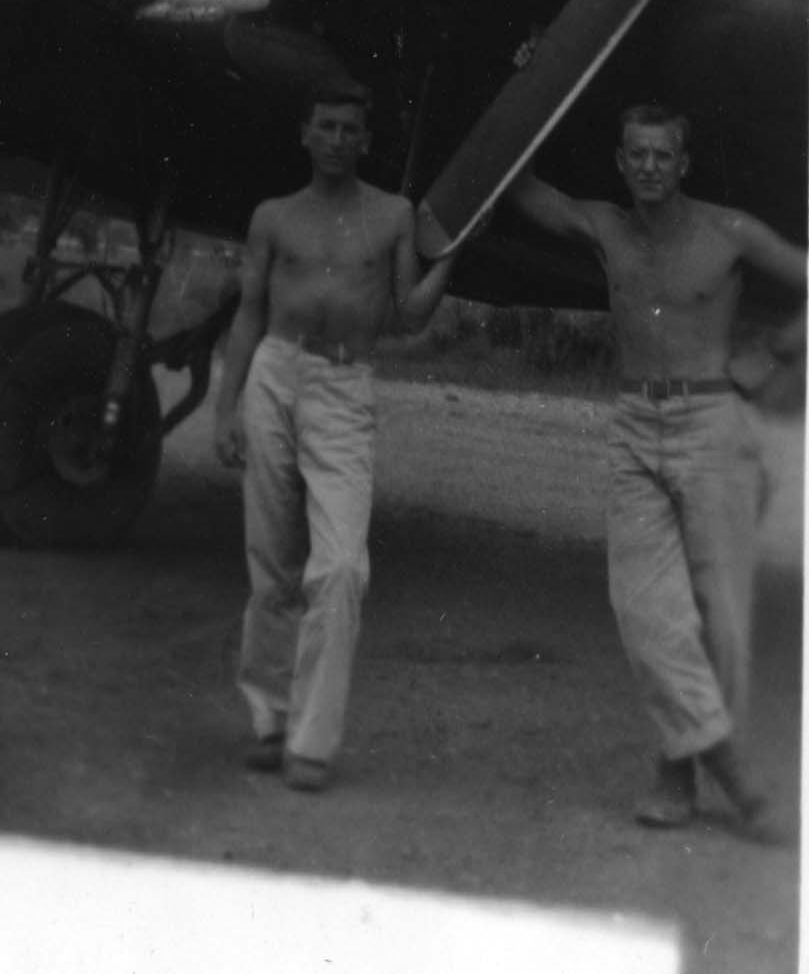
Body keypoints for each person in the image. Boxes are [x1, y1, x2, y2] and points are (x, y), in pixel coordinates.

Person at [507, 103, 805, 839]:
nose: (646, 167)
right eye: (634, 155)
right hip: (635, 422)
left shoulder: (727, 231)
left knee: (724, 621)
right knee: (642, 605)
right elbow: (522, 190)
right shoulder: (605, 227)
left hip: (712, 424)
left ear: (682, 164)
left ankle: (677, 774)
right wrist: (524, 86)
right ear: (619, 163)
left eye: (660, 156)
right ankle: (733, 771)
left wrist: (774, 353)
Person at [212, 80, 453, 791]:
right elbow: (248, 315)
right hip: (274, 375)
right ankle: (269, 718)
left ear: (366, 141)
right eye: (327, 127)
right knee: (272, 561)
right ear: (305, 134)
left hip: (343, 387)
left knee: (341, 565)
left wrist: (448, 261)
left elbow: (408, 314)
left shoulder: (391, 216)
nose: (339, 140)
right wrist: (225, 409)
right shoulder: (272, 218)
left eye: (352, 129)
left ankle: (311, 743)